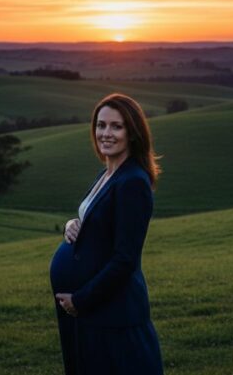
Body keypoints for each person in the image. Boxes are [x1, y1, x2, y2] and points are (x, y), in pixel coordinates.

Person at [49, 93, 164, 375]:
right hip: (94, 313)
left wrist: (81, 300)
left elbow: (125, 259)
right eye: (101, 125)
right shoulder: (109, 173)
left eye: (116, 126)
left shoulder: (133, 182)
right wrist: (72, 225)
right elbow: (99, 222)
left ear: (133, 133)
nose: (106, 133)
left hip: (112, 312)